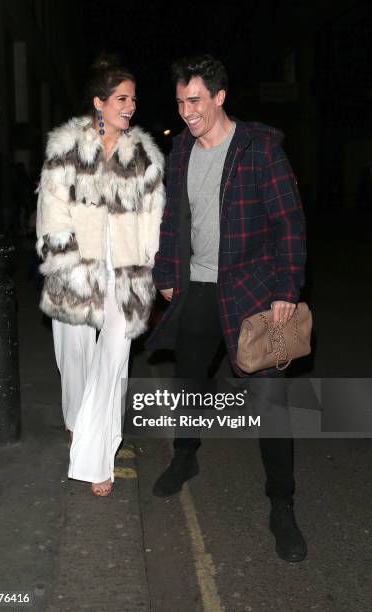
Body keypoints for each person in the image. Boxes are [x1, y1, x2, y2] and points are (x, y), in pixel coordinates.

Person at [147, 54, 307, 562]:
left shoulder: (258, 149)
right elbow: (174, 219)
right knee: (187, 382)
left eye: (195, 100)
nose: (187, 111)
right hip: (196, 289)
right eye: (179, 101)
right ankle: (185, 456)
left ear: (219, 97)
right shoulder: (180, 152)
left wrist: (287, 286)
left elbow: (289, 222)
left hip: (253, 292)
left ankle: (282, 504)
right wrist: (166, 274)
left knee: (269, 402)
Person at [36, 55, 165, 496]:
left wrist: (152, 263)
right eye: (122, 98)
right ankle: (76, 419)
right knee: (74, 357)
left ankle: (97, 455)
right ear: (99, 102)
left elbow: (152, 216)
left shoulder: (143, 154)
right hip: (76, 269)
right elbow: (51, 209)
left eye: (133, 99)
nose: (130, 106)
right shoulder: (68, 147)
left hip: (123, 275)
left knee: (113, 362)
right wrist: (65, 263)